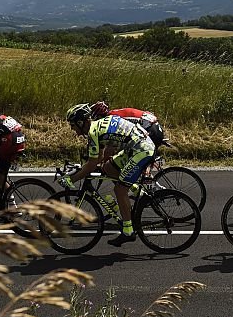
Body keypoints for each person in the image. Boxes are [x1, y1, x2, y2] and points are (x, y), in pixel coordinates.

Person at [59, 103, 157, 246]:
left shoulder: (93, 132)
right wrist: (81, 170)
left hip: (141, 150)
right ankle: (139, 193)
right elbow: (99, 158)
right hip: (136, 146)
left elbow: (92, 163)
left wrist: (71, 179)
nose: (72, 129)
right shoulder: (96, 127)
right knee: (109, 168)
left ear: (81, 122)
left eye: (73, 125)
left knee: (119, 189)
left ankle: (128, 231)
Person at [90, 101, 166, 147]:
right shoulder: (114, 113)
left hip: (150, 128)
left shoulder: (111, 120)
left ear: (100, 116)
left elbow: (111, 145)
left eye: (96, 119)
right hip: (153, 125)